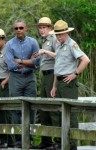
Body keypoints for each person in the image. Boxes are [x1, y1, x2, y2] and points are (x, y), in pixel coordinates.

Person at [50, 20, 90, 150]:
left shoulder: (72, 44)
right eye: (57, 35)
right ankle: (63, 143)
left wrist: (75, 74)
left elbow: (85, 60)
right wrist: (54, 86)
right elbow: (58, 67)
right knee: (60, 114)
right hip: (59, 82)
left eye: (61, 34)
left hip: (68, 83)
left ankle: (72, 145)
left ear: (67, 33)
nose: (59, 37)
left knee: (70, 114)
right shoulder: (59, 45)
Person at [4, 19, 40, 148]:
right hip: (15, 78)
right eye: (16, 28)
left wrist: (20, 61)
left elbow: (37, 62)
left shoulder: (33, 42)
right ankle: (19, 140)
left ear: (26, 29)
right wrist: (28, 61)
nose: (18, 30)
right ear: (14, 30)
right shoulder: (9, 44)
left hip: (30, 78)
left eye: (21, 28)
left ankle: (29, 139)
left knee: (31, 107)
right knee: (15, 108)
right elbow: (10, 64)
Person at [36, 17, 56, 149]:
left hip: (52, 75)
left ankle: (60, 141)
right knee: (43, 109)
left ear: (50, 28)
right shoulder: (44, 40)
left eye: (44, 27)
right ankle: (46, 141)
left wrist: (45, 51)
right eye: (40, 27)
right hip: (44, 76)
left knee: (54, 109)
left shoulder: (54, 38)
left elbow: (59, 55)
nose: (42, 30)